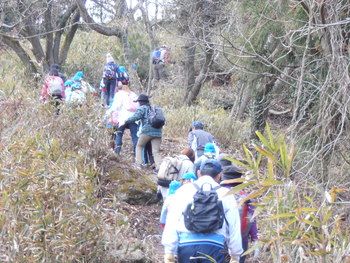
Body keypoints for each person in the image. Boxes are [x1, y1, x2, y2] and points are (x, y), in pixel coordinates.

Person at [161, 159, 243, 263]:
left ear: (199, 173)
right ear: (219, 176)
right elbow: (234, 227)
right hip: (215, 248)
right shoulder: (226, 195)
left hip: (186, 247)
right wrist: (235, 255)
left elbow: (172, 221)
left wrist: (170, 252)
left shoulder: (183, 191)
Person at [219, 155, 259, 263]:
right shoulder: (247, 198)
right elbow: (252, 219)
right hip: (241, 240)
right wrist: (255, 239)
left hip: (219, 239)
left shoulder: (218, 194)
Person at [120, 94, 162, 170]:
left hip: (147, 132)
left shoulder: (142, 108)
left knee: (139, 146)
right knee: (156, 151)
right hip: (158, 132)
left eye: (138, 102)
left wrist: (125, 121)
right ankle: (159, 168)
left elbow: (135, 117)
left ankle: (139, 164)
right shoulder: (155, 108)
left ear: (141, 102)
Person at [106, 85, 139, 154]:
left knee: (119, 133)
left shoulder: (119, 94)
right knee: (134, 135)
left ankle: (117, 151)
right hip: (133, 118)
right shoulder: (133, 94)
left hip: (122, 118)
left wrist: (107, 114)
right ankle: (136, 153)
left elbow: (115, 106)